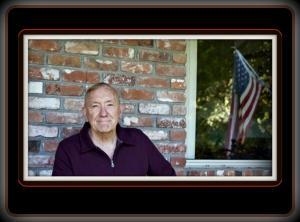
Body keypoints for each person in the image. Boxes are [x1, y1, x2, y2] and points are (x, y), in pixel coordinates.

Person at [52, 82, 176, 176]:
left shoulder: (138, 140)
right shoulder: (68, 149)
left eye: (109, 105)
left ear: (120, 110)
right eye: (95, 106)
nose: (103, 113)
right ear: (85, 112)